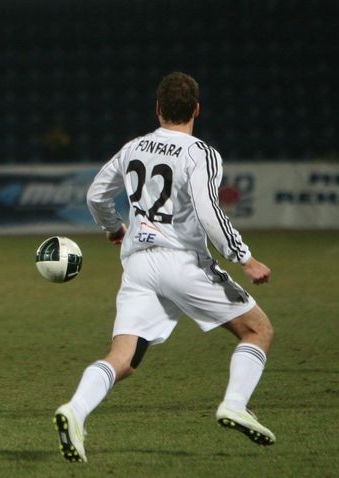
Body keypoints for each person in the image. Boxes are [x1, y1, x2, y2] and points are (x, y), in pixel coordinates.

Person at [53, 72, 276, 463]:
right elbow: (209, 213)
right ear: (196, 110)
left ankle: (75, 409)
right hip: (183, 262)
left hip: (139, 264)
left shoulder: (134, 147)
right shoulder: (200, 153)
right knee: (257, 330)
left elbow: (95, 195)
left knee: (122, 357)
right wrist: (245, 257)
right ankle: (235, 404)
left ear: (157, 109)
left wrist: (113, 228)